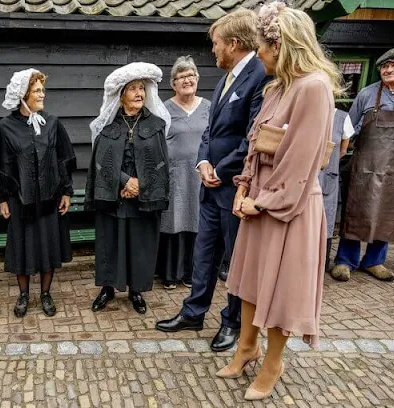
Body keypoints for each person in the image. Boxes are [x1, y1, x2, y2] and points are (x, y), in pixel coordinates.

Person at [216, 2, 341, 400]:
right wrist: (243, 187)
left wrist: (264, 200)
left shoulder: (314, 87)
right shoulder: (276, 87)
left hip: (291, 206)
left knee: (279, 290)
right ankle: (246, 349)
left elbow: (302, 159)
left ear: (281, 44)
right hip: (259, 198)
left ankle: (273, 363)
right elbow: (255, 145)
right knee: (251, 283)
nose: (260, 56)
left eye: (264, 48)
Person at [155, 9, 268, 353]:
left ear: (233, 43)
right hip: (211, 185)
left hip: (236, 188)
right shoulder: (224, 80)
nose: (213, 50)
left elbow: (253, 136)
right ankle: (194, 312)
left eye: (216, 44)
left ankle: (232, 322)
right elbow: (210, 130)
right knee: (204, 255)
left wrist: (221, 171)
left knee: (235, 259)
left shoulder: (259, 76)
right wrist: (204, 162)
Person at [0, 69, 76, 318]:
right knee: (23, 248)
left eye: (42, 89)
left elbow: (63, 160)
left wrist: (66, 192)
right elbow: (0, 165)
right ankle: (24, 294)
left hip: (49, 199)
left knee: (48, 246)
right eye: (37, 90)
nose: (42, 94)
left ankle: (46, 293)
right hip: (20, 201)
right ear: (23, 95)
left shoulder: (52, 123)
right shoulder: (5, 128)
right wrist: (3, 197)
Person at [85, 62, 171, 315]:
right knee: (110, 242)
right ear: (121, 94)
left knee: (139, 244)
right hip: (114, 198)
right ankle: (108, 287)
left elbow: (161, 163)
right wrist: (124, 182)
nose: (139, 93)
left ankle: (136, 289)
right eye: (133, 88)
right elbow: (100, 162)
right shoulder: (108, 126)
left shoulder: (155, 125)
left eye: (142, 88)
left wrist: (140, 185)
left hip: (143, 199)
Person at [331, 47, 394, 282]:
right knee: (356, 210)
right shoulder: (367, 94)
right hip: (365, 166)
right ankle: (345, 260)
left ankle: (375, 261)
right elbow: (349, 129)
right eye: (384, 66)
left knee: (388, 213)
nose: (388, 70)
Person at [156, 56, 211, 290]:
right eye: (181, 77)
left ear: (197, 79)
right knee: (173, 222)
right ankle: (170, 274)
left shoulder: (209, 107)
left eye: (191, 76)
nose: (187, 80)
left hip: (201, 176)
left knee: (197, 222)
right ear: (173, 83)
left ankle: (190, 274)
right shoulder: (164, 109)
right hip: (174, 176)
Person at [320, 109, 354, 272]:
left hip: (327, 177)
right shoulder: (301, 109)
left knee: (325, 220)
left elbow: (342, 150)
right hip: (302, 177)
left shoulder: (342, 117)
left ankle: (321, 264)